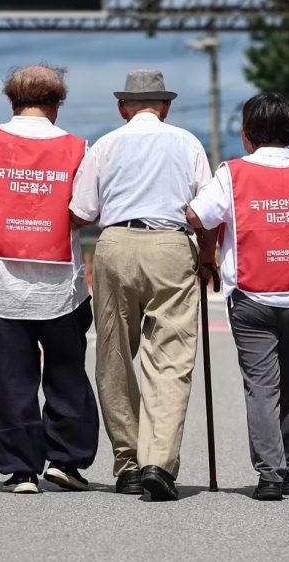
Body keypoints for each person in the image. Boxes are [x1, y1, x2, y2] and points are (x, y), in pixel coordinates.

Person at [185, 93, 289, 501]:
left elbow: (196, 215)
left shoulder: (233, 174)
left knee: (261, 387)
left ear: (246, 134)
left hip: (252, 296)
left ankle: (270, 476)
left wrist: (209, 251)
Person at [70, 69, 215, 501]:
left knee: (114, 355)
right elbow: (206, 211)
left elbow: (81, 211)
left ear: (123, 108)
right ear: (166, 106)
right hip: (171, 244)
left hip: (115, 243)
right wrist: (208, 258)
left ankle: (129, 464)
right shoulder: (187, 142)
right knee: (171, 359)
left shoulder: (105, 144)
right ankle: (159, 463)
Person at [0, 65, 98, 495]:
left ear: (12, 100)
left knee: (9, 380)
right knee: (67, 375)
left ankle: (21, 471)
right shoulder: (78, 147)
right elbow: (86, 212)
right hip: (61, 287)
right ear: (57, 105)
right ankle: (66, 462)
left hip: (1, 284)